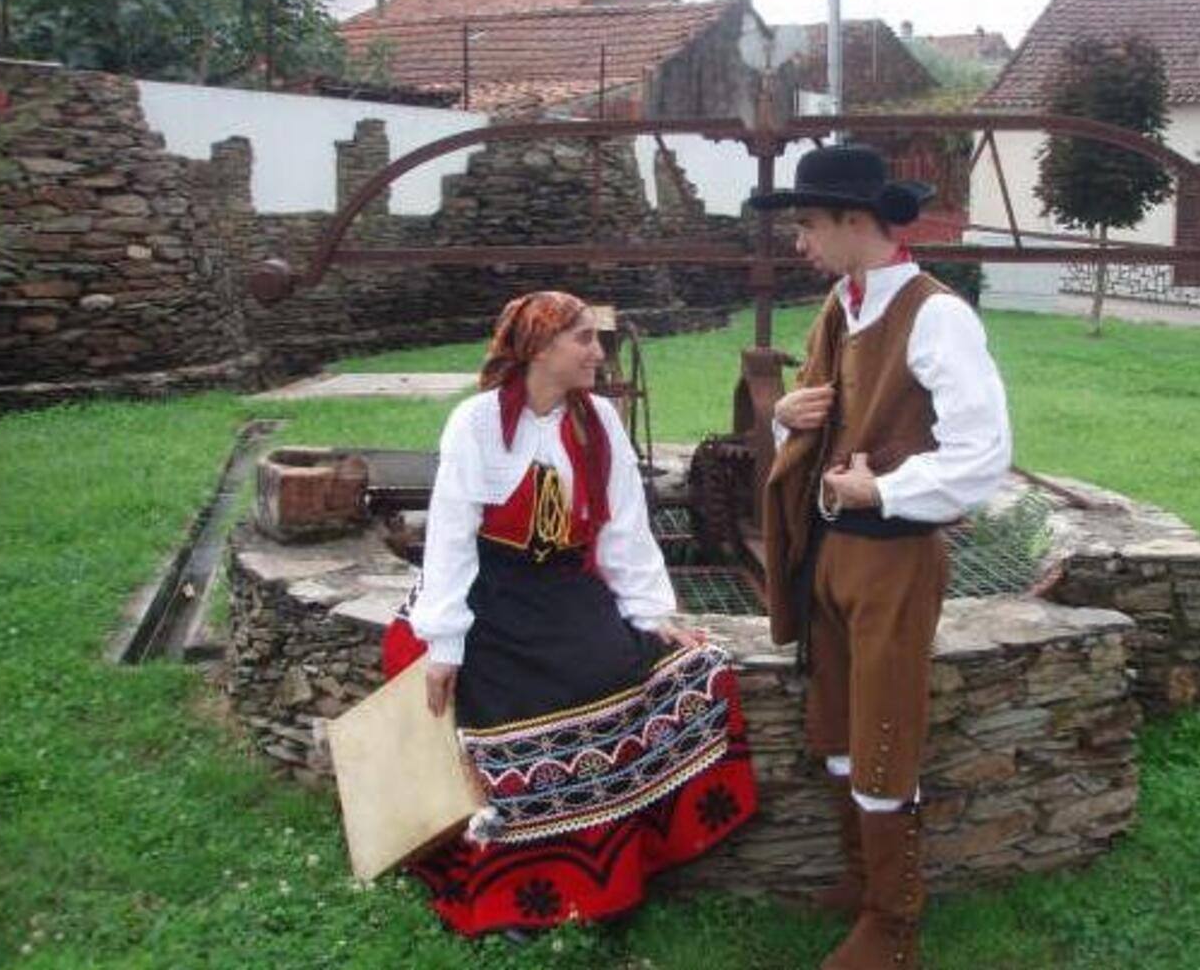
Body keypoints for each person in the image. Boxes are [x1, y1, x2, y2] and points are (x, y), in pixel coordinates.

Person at [377, 290, 757, 939]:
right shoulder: (476, 423)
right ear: (540, 348)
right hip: (491, 590)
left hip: (564, 586)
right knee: (519, 696)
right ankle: (527, 888)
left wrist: (648, 612)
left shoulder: (597, 421)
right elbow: (450, 535)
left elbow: (624, 527)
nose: (596, 351)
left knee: (673, 669)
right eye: (582, 338)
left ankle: (617, 870)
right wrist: (444, 644)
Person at [751, 145, 1012, 969]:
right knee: (837, 723)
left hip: (894, 560)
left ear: (856, 222)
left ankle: (895, 925)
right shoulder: (843, 304)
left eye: (808, 225)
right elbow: (824, 418)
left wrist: (887, 491)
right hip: (832, 554)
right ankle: (862, 882)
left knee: (885, 731)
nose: (801, 242)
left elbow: (984, 454)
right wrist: (788, 416)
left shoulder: (936, 316)